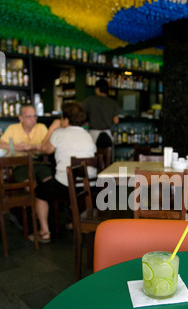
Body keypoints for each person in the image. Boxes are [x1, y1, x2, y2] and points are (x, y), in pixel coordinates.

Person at [29, 101, 96, 244]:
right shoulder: (87, 135)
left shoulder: (59, 133)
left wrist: (53, 128)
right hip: (89, 183)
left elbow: (43, 149)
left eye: (61, 118)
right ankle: (73, 222)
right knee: (69, 190)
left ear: (66, 119)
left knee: (40, 193)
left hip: (67, 184)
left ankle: (44, 232)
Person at [0, 105, 52, 183]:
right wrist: (19, 148)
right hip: (19, 164)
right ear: (21, 118)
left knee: (48, 181)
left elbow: (49, 146)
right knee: (30, 184)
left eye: (35, 116)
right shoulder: (13, 128)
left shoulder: (41, 127)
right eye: (29, 117)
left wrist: (33, 147)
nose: (33, 119)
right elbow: (1, 143)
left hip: (38, 162)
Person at [82, 78, 120, 148]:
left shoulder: (90, 100)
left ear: (97, 89)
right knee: (108, 156)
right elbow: (116, 121)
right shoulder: (113, 102)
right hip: (107, 134)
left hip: (94, 134)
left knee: (94, 156)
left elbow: (80, 114)